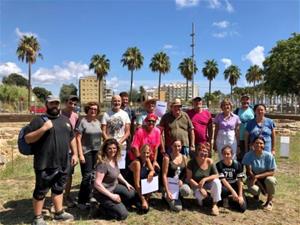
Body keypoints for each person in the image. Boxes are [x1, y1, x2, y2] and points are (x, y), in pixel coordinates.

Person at [24, 95, 78, 225]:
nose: (54, 106)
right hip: (45, 163)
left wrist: (75, 154)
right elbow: (28, 138)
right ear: (46, 104)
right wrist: (43, 128)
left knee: (58, 188)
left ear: (59, 105)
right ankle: (37, 217)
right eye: (51, 103)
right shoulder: (38, 121)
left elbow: (72, 138)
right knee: (41, 190)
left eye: (56, 103)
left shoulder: (65, 120)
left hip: (63, 162)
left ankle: (59, 213)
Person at [93, 138, 138, 220]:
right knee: (123, 215)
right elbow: (97, 184)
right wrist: (112, 196)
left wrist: (126, 183)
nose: (112, 150)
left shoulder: (114, 159)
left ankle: (114, 205)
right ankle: (102, 209)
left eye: (114, 148)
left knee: (131, 193)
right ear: (105, 150)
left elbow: (117, 173)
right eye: (109, 148)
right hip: (102, 192)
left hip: (113, 187)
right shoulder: (103, 163)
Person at [76, 102, 102, 209]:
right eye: (91, 108)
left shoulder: (97, 122)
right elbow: (78, 138)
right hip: (86, 152)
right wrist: (80, 154)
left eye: (95, 109)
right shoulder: (83, 122)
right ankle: (81, 201)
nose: (93, 110)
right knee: (86, 176)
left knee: (93, 176)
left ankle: (90, 196)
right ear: (87, 109)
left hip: (97, 152)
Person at [242, 136, 277, 211]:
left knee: (271, 180)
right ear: (253, 144)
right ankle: (256, 195)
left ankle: (269, 201)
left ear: (264, 145)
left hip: (265, 177)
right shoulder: (248, 155)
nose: (258, 145)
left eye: (261, 143)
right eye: (256, 143)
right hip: (252, 176)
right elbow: (248, 171)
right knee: (254, 189)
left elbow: (272, 172)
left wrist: (257, 176)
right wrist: (254, 178)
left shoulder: (269, 156)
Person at [186, 144, 222, 216]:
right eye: (201, 151)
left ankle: (215, 205)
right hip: (196, 185)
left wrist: (205, 179)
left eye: (206, 152)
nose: (204, 154)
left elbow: (217, 175)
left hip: (207, 183)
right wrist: (200, 188)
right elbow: (189, 178)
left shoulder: (210, 161)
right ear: (197, 152)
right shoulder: (191, 162)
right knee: (201, 200)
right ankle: (204, 199)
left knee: (217, 182)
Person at [162, 139, 191, 212]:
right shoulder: (167, 158)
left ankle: (179, 197)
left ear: (181, 146)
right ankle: (166, 196)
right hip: (169, 186)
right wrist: (167, 191)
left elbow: (186, 173)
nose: (177, 148)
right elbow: (164, 175)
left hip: (179, 184)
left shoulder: (184, 157)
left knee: (186, 190)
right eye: (175, 146)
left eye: (179, 146)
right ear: (171, 146)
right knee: (177, 208)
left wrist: (182, 180)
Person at [61, 95, 79, 207]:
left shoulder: (76, 116)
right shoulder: (58, 114)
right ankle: (56, 195)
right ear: (66, 102)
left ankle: (66, 196)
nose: (72, 106)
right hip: (58, 149)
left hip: (70, 150)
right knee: (57, 174)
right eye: (70, 103)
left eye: (75, 104)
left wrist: (75, 152)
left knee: (69, 174)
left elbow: (76, 135)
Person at [216, 146, 247, 212]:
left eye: (228, 154)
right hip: (224, 186)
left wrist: (240, 195)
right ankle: (225, 200)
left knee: (242, 208)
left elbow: (240, 180)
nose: (226, 156)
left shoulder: (238, 164)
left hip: (235, 184)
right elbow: (223, 180)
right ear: (222, 154)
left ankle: (233, 200)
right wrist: (233, 192)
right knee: (223, 190)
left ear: (232, 154)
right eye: (224, 154)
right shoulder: (218, 165)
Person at [128, 144, 155, 213]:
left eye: (148, 153)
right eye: (144, 152)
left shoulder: (147, 159)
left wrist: (151, 173)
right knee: (144, 210)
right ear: (140, 152)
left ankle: (147, 199)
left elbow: (152, 170)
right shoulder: (137, 163)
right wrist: (143, 200)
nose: (146, 155)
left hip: (140, 185)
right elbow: (136, 184)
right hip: (132, 186)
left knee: (153, 176)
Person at [233, 94, 255, 162]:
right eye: (243, 99)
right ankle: (240, 171)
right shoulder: (237, 111)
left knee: (251, 156)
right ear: (241, 101)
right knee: (240, 156)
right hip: (240, 137)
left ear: (249, 101)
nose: (245, 101)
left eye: (247, 99)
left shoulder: (252, 110)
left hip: (251, 137)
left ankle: (250, 171)